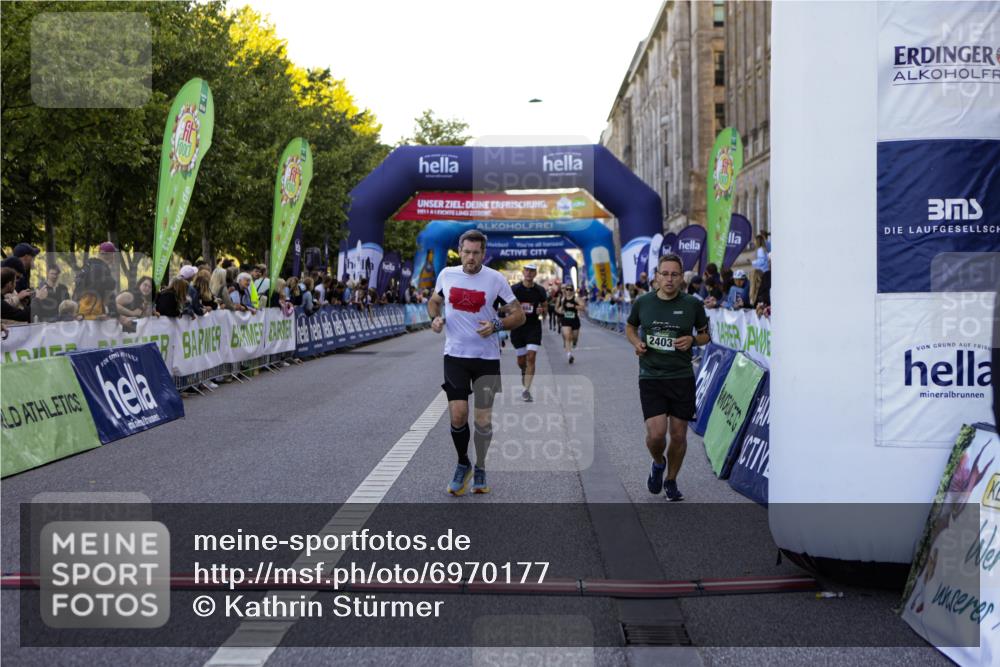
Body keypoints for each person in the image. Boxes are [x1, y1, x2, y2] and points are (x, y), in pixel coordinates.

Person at [427, 230, 525, 496]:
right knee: (458, 414)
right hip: (455, 356)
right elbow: (434, 302)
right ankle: (463, 463)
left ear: (484, 253)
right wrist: (434, 319)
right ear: (460, 251)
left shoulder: (496, 279)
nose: (471, 257)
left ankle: (480, 465)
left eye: (476, 253)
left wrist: (497, 325)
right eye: (467, 252)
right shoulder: (447, 275)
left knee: (482, 420)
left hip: (487, 359)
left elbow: (519, 315)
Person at [625, 253, 710, 502]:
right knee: (656, 435)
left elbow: (706, 335)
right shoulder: (643, 303)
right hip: (651, 376)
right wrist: (636, 342)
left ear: (681, 277)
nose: (670, 279)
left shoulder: (693, 305)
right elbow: (630, 326)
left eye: (675, 274)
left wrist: (693, 339)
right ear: (657, 277)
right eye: (665, 274)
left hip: (681, 376)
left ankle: (671, 481)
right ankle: (658, 463)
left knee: (680, 435)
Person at [510, 263, 547, 402]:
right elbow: (506, 306)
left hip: (533, 327)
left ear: (535, 274)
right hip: (518, 328)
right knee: (521, 361)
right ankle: (523, 371)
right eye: (527, 270)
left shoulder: (540, 290)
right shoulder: (514, 289)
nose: (529, 273)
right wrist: (513, 310)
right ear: (523, 272)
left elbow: (545, 307)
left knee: (531, 357)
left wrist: (541, 312)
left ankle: (526, 390)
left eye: (532, 271)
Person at [555, 283, 583, 363]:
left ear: (572, 290)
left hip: (575, 320)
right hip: (565, 319)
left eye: (570, 289)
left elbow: (583, 307)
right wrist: (560, 311)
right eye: (567, 289)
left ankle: (574, 342)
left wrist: (574, 306)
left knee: (574, 338)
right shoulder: (561, 298)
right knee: (567, 336)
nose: (568, 291)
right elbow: (556, 308)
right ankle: (569, 355)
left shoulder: (576, 298)